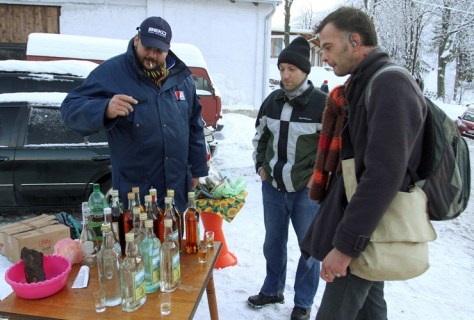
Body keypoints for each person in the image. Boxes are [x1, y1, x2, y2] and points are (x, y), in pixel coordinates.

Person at [300, 7, 427, 320]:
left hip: (363, 233)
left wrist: (344, 248)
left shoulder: (389, 84)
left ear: (354, 41)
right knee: (371, 310)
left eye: (328, 47)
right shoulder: (365, 83)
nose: (324, 57)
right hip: (365, 230)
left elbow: (383, 175)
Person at [61, 16, 209, 213]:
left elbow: (194, 126)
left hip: (175, 188)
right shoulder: (113, 72)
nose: (152, 55)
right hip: (136, 191)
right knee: (139, 241)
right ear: (137, 39)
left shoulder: (182, 79)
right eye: (147, 47)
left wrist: (197, 169)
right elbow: (69, 109)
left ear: (168, 49)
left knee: (174, 241)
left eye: (159, 51)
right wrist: (105, 109)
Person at [250, 36, 326, 320]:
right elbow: (260, 136)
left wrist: (315, 180)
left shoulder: (322, 104)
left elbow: (331, 147)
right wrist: (260, 166)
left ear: (305, 71)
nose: (285, 75)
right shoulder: (272, 101)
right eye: (282, 68)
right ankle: (272, 289)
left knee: (309, 249)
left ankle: (303, 301)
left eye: (292, 69)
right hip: (272, 188)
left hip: (305, 192)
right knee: (273, 243)